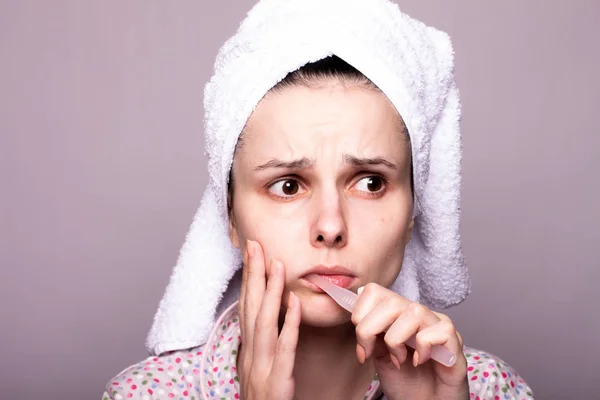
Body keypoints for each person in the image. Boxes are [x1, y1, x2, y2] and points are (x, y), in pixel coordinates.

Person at [103, 1, 534, 399]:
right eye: (288, 185)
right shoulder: (143, 395)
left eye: (370, 183)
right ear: (230, 213)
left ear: (412, 212)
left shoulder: (489, 389)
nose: (331, 225)